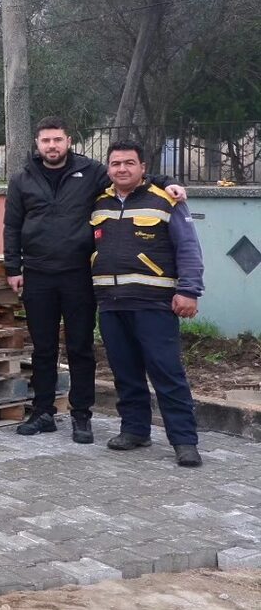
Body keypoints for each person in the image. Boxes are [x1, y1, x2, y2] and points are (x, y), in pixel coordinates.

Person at [5, 117, 186, 443]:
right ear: (37, 144)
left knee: (80, 347)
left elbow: (128, 176)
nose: (52, 146)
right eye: (45, 141)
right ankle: (43, 411)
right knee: (43, 348)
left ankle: (81, 415)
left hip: (79, 275)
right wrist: (12, 267)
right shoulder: (22, 179)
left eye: (57, 140)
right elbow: (11, 226)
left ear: (68, 140)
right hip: (38, 273)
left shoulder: (90, 173)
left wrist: (168, 181)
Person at [92, 141, 204, 467]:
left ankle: (184, 441)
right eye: (116, 164)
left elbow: (188, 248)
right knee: (125, 374)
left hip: (154, 304)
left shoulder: (166, 200)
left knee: (167, 374)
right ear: (108, 169)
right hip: (111, 304)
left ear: (143, 168)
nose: (122, 169)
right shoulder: (98, 203)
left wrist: (190, 290)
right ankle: (135, 430)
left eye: (129, 163)